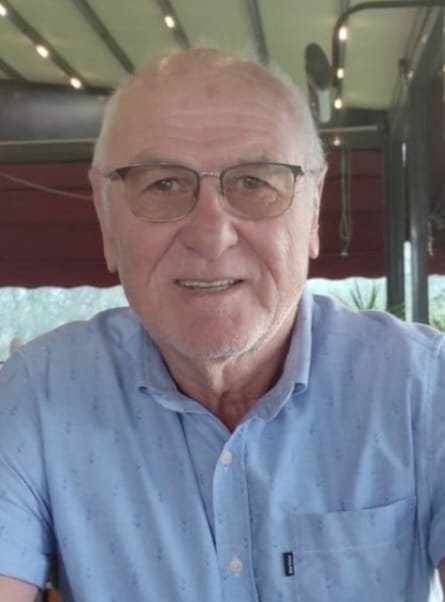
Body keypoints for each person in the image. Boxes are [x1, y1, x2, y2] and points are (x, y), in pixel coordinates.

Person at [0, 47, 444, 602]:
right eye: (163, 184)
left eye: (254, 182)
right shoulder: (35, 398)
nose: (210, 235)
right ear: (104, 214)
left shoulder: (423, 387)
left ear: (314, 207)